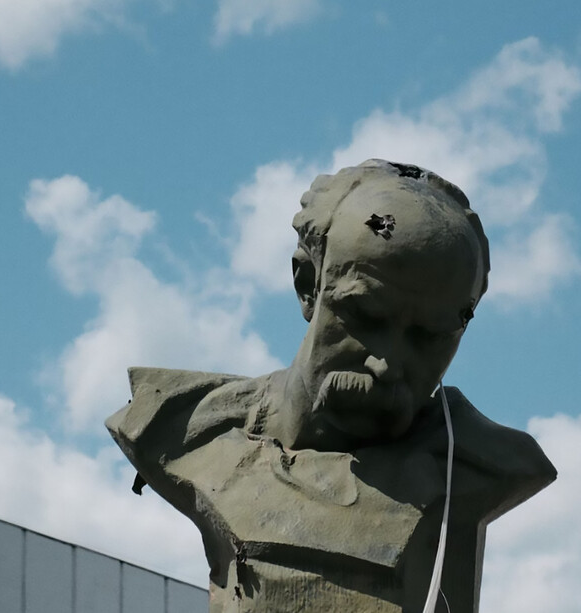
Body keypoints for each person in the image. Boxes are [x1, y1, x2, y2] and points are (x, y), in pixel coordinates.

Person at [107, 159, 556, 612]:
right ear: (309, 285)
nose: (386, 365)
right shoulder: (182, 427)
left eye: (429, 337)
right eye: (366, 315)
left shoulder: (484, 466)